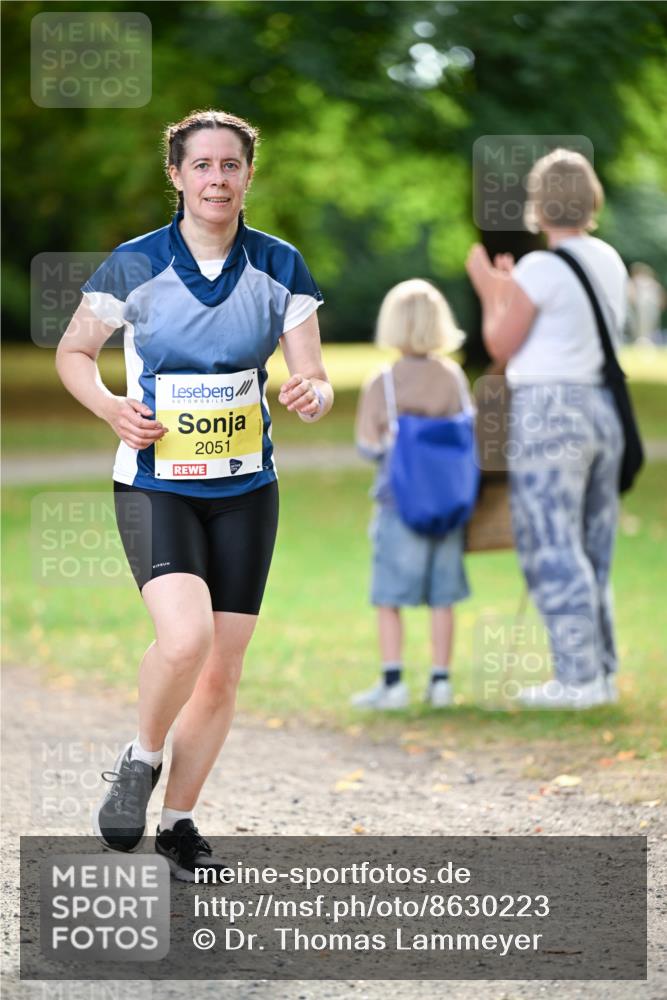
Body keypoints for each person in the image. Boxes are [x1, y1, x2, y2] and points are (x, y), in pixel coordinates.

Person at [55, 109, 333, 878]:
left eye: (231, 165)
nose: (217, 178)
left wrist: (312, 394)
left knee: (223, 666)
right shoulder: (133, 263)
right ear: (176, 176)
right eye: (201, 165)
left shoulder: (279, 263)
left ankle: (178, 821)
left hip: (247, 487)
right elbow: (75, 351)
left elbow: (311, 373)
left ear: (249, 175)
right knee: (185, 640)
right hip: (154, 483)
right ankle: (140, 758)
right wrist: (111, 406)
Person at [466, 148, 627, 709]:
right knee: (592, 544)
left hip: (550, 414)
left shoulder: (541, 268)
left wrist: (493, 293)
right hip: (601, 408)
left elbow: (501, 346)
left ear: (540, 202)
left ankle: (576, 679)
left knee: (552, 545)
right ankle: (601, 672)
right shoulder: (608, 258)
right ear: (591, 198)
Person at [351, 279, 472, 711]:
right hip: (447, 504)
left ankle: (393, 682)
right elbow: (468, 434)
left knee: (389, 596)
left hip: (398, 502)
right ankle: (440, 683)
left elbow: (368, 445)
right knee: (443, 596)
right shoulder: (453, 377)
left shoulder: (382, 381)